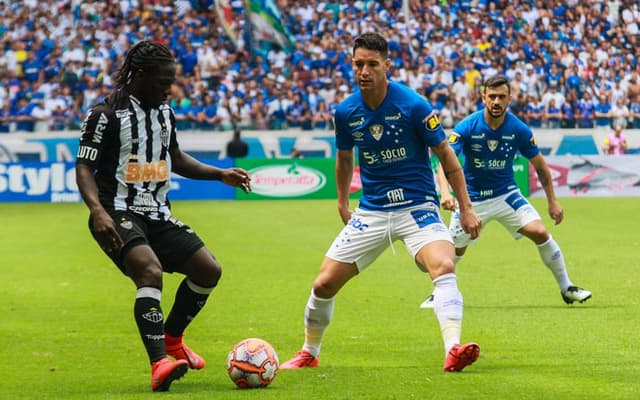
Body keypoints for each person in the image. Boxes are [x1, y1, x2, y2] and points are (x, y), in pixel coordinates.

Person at [279, 32, 482, 373]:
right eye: (359, 64)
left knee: (444, 267)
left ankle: (453, 349)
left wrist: (466, 206)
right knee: (323, 283)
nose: (365, 71)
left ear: (387, 65)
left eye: (372, 64)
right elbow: (345, 159)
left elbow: (446, 155)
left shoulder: (414, 106)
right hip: (371, 211)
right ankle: (309, 352)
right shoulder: (345, 112)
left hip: (417, 207)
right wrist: (343, 200)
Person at [75, 40, 252, 392]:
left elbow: (178, 159)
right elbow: (84, 166)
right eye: (162, 82)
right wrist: (97, 211)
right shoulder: (105, 115)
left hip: (157, 214)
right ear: (140, 76)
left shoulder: (164, 113)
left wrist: (220, 173)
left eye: (171, 82)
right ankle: (159, 363)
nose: (169, 89)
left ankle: (173, 340)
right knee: (150, 271)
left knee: (208, 270)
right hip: (117, 212)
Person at [420, 76, 591, 309]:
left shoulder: (519, 129)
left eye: (501, 96)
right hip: (472, 199)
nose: (496, 101)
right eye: (492, 96)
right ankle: (438, 293)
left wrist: (553, 202)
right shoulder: (467, 126)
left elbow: (541, 167)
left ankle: (567, 287)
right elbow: (443, 161)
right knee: (455, 250)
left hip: (506, 195)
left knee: (540, 232)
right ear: (483, 98)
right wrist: (446, 193)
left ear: (510, 99)